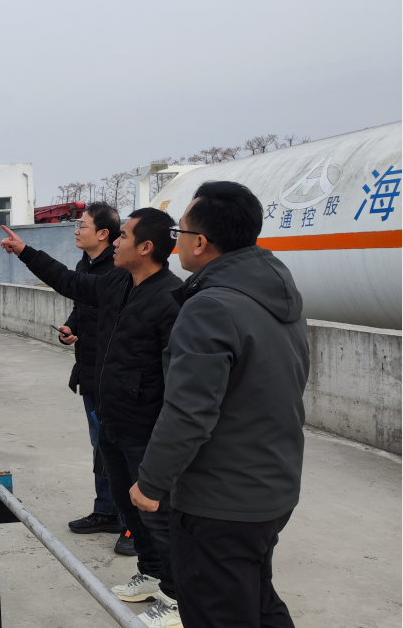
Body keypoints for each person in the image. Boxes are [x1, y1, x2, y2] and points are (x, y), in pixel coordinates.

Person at [131, 181, 309, 628]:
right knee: (257, 601)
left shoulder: (210, 306)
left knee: (217, 611)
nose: (176, 241)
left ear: (201, 242)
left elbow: (189, 413)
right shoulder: (275, 292)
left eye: (180, 231)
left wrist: (150, 483)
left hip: (220, 501)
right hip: (272, 487)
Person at [1, 208, 184, 627]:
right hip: (113, 417)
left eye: (124, 236)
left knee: (158, 514)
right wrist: (26, 252)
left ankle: (176, 598)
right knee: (127, 504)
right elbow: (69, 282)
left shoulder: (171, 298)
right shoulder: (118, 281)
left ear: (146, 247)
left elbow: (180, 379)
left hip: (146, 426)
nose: (116, 242)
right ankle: (151, 573)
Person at [55, 203, 135, 557]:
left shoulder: (116, 271)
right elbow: (80, 306)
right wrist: (71, 329)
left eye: (82, 225)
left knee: (121, 447)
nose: (77, 230)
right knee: (101, 445)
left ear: (103, 233)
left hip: (113, 374)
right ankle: (107, 511)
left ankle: (133, 523)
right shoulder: (84, 266)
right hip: (90, 370)